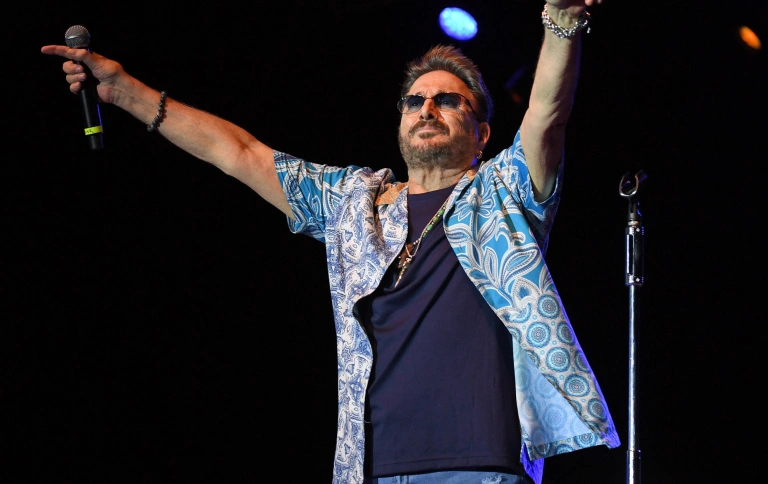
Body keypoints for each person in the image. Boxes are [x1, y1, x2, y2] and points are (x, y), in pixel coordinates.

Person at [42, 1, 619, 482]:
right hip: (371, 467)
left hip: (481, 464)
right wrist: (126, 93)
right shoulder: (352, 203)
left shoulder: (504, 192)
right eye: (414, 100)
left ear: (482, 132)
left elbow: (546, 114)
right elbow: (238, 152)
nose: (426, 109)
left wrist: (562, 22)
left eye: (448, 100)